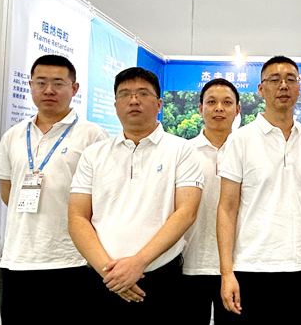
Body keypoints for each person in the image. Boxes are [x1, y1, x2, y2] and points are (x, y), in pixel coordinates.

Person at [68, 67, 203, 321]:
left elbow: (186, 212)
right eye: (125, 94)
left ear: (159, 104)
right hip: (103, 276)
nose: (133, 100)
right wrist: (111, 273)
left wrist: (138, 263)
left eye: (142, 93)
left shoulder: (182, 150)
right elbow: (77, 217)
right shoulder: (94, 154)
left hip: (161, 276)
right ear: (115, 104)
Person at [217, 56, 301, 324]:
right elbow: (227, 208)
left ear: (299, 88)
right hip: (252, 267)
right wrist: (227, 272)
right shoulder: (240, 140)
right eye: (275, 80)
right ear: (261, 89)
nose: (283, 85)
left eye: (290, 79)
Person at [0, 55, 109, 324]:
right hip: (17, 260)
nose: (49, 90)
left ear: (74, 88)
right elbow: (7, 191)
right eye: (41, 82)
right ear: (30, 85)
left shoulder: (92, 135)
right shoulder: (13, 135)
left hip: (72, 261)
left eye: (58, 83)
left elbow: (103, 199)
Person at [181, 78, 241, 324]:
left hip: (238, 264)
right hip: (191, 263)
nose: (219, 108)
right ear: (200, 108)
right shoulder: (184, 152)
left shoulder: (247, 150)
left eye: (227, 103)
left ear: (237, 109)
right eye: (211, 102)